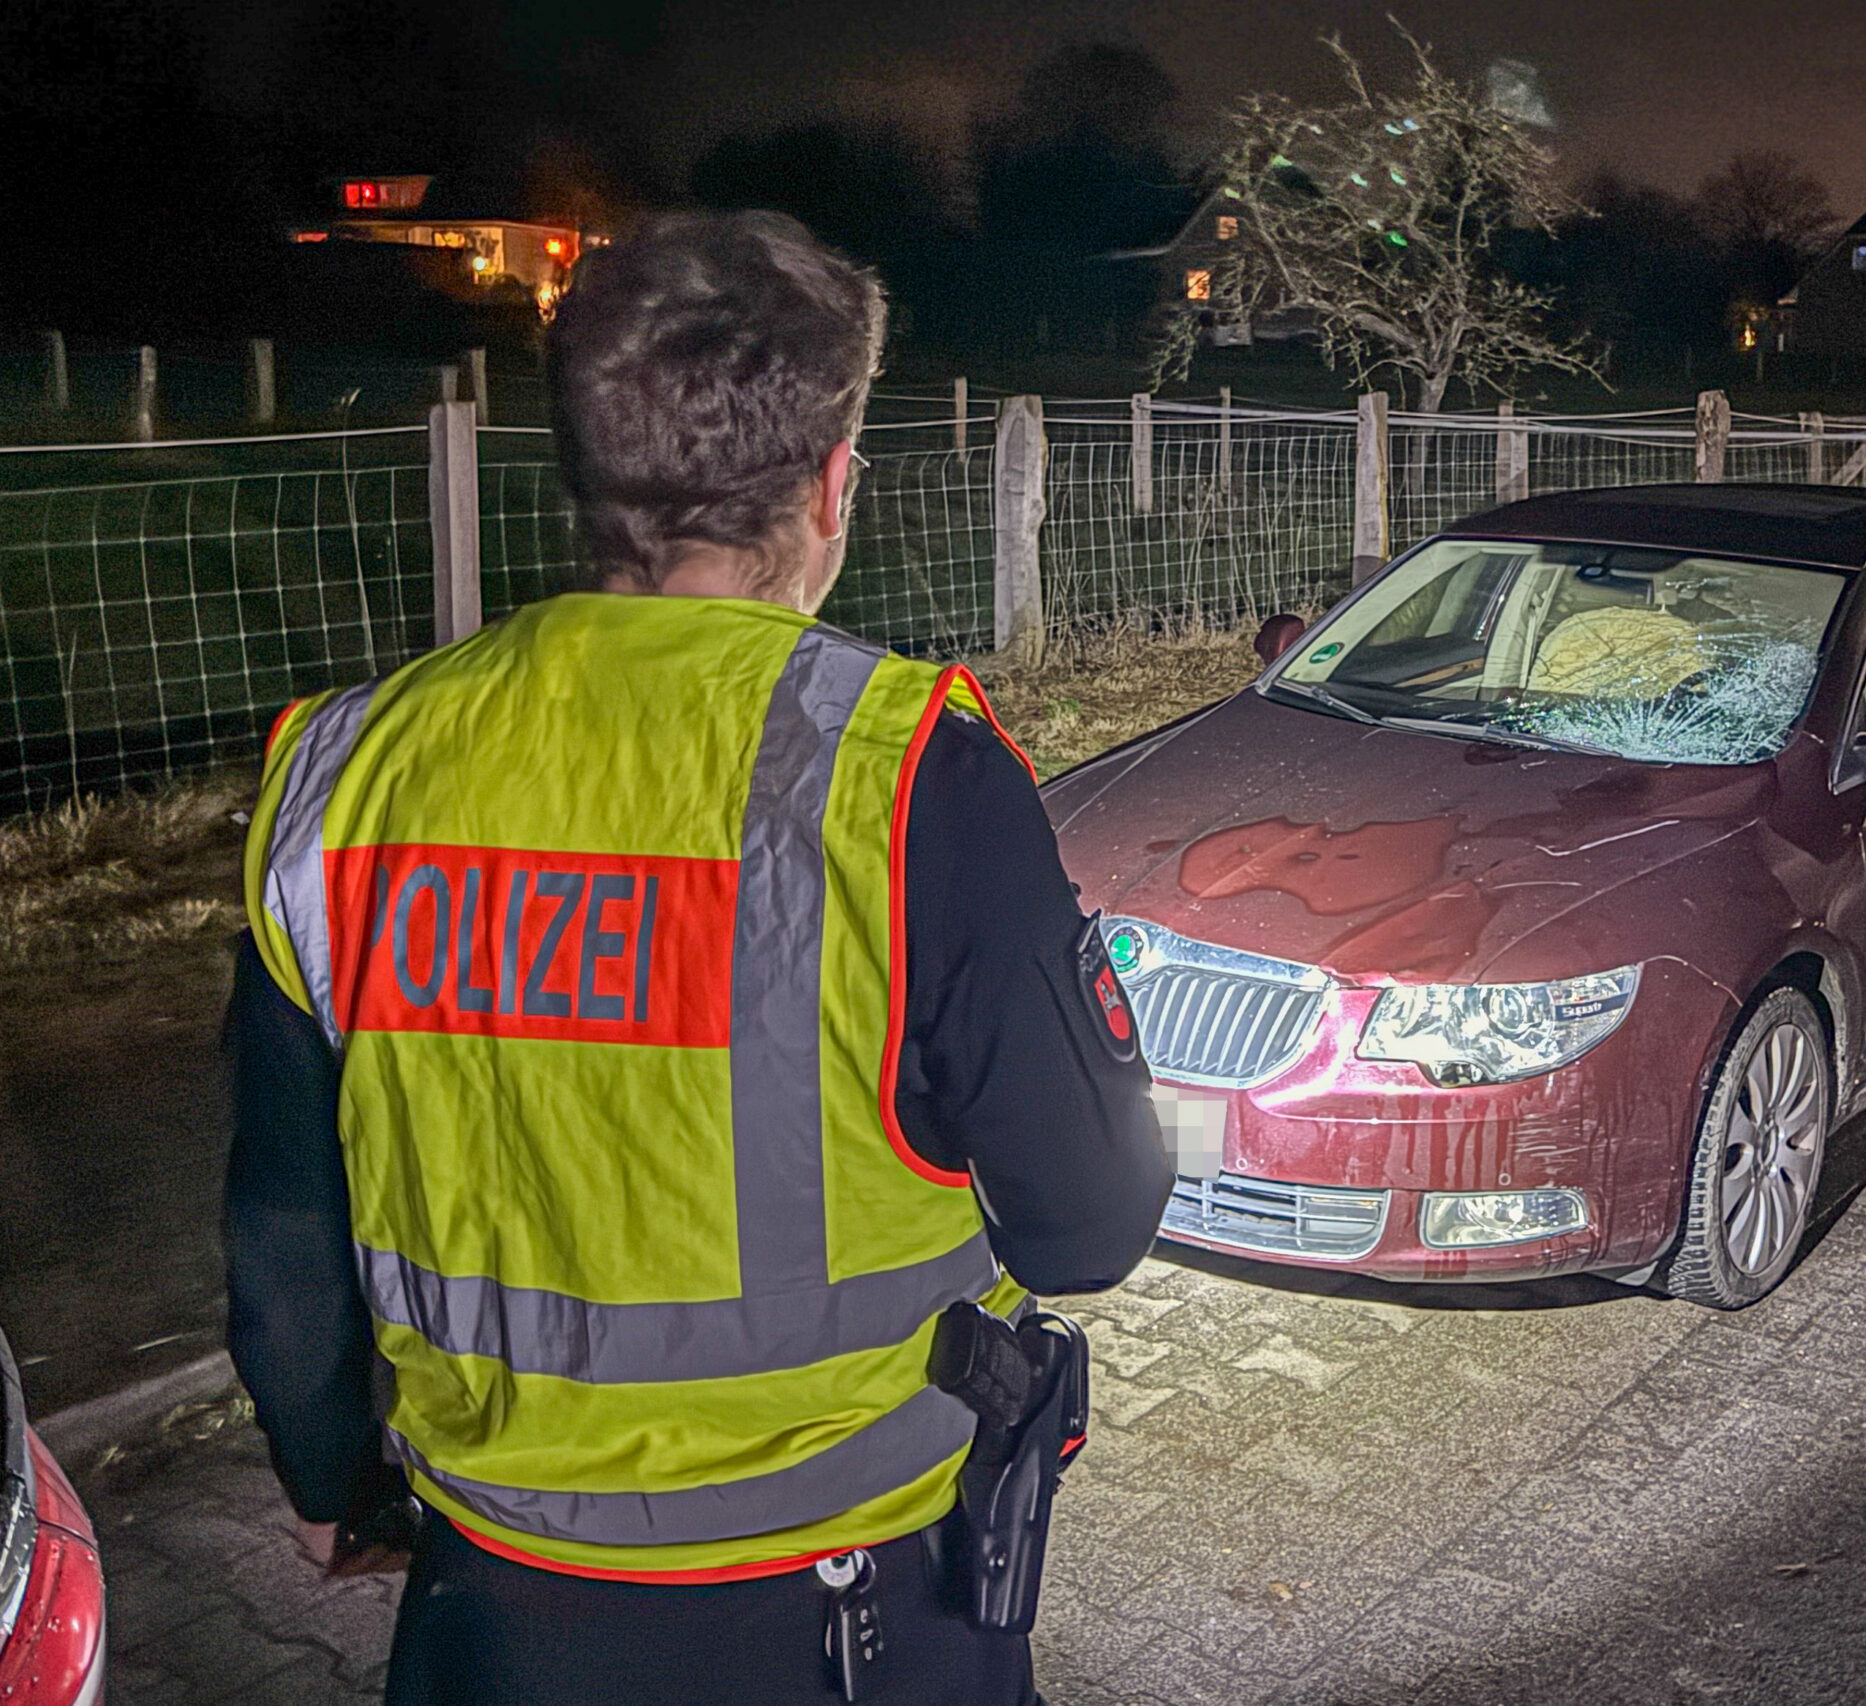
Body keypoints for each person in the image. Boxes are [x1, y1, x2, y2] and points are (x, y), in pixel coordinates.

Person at [224, 209, 1171, 1705]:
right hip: (851, 1627)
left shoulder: (342, 771)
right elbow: (1089, 1223)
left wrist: (330, 1472)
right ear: (831, 481)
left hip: (491, 1618)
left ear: (583, 477)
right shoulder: (910, 772)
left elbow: (285, 1234)